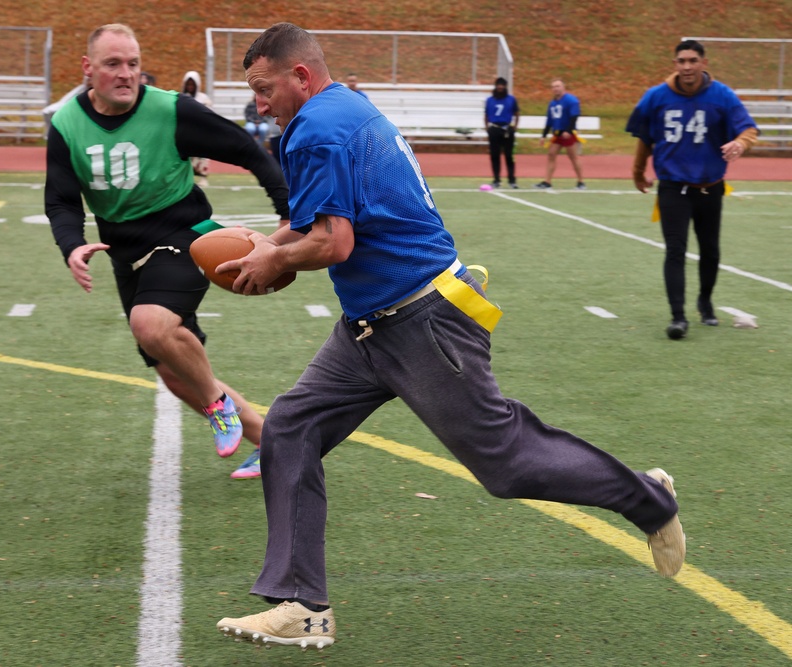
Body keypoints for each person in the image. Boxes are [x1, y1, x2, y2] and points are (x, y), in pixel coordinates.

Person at [215, 23, 685, 649]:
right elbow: (316, 223)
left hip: (420, 319)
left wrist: (272, 260)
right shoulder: (342, 107)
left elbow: (333, 241)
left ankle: (648, 498)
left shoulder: (316, 128)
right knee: (291, 429)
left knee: (506, 463)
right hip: (371, 325)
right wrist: (261, 242)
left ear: (299, 76)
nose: (261, 105)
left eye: (264, 89)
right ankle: (303, 604)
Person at [45, 24, 291, 480]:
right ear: (88, 68)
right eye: (113, 64)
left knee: (150, 324)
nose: (126, 74)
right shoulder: (66, 124)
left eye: (133, 64)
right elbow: (60, 199)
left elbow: (246, 149)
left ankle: (220, 408)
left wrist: (286, 209)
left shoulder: (170, 110)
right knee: (174, 372)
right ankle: (275, 445)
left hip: (184, 233)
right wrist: (72, 245)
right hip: (125, 252)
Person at [626, 40, 758, 341]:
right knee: (675, 249)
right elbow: (645, 139)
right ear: (675, 63)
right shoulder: (655, 97)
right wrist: (637, 172)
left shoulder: (721, 95)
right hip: (673, 186)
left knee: (710, 249)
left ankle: (705, 303)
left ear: (703, 62)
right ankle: (678, 316)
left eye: (693, 60)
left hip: (710, 186)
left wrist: (741, 143)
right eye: (682, 61)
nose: (687, 66)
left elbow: (748, 128)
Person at [535, 78, 584, 190]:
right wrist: (543, 135)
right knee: (551, 154)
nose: (556, 89)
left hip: (568, 133)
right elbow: (549, 121)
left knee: (573, 157)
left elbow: (574, 116)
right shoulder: (552, 103)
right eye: (553, 87)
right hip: (557, 133)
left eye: (558, 86)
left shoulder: (571, 100)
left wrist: (569, 130)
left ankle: (581, 181)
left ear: (563, 87)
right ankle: (547, 181)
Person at [484, 76, 519, 188]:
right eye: (498, 85)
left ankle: (512, 180)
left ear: (505, 87)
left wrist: (515, 127)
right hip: (494, 128)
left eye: (502, 85)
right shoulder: (490, 100)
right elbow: (486, 115)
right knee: (495, 155)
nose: (500, 87)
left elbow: (516, 113)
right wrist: (488, 128)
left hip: (507, 129)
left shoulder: (511, 99)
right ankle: (496, 179)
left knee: (509, 155)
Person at [181, 70, 212, 187]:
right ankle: (187, 177)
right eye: (188, 84)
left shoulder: (203, 99)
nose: (190, 87)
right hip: (186, 132)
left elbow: (209, 115)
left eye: (192, 85)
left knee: (202, 155)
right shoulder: (182, 98)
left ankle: (203, 177)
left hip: (200, 131)